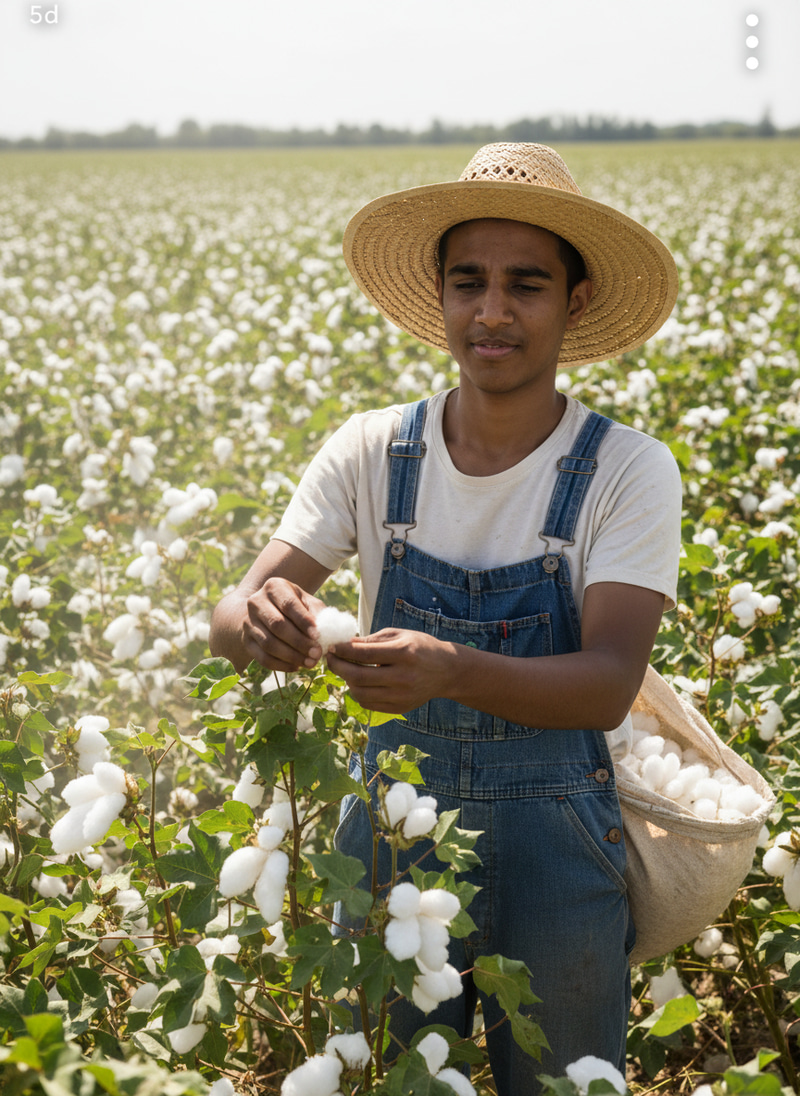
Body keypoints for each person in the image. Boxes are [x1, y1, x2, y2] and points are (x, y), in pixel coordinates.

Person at [209, 142, 682, 1093]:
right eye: (468, 282)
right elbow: (230, 609)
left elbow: (608, 682)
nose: (493, 311)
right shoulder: (373, 450)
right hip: (389, 837)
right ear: (439, 295)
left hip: (561, 846)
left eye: (527, 285)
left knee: (565, 1084)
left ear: (575, 301)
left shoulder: (628, 470)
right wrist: (264, 621)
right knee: (387, 1078)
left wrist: (454, 668)